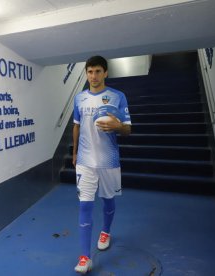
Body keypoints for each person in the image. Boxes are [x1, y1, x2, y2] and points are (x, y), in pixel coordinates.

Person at [72, 55, 131, 274]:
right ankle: (85, 257)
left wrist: (117, 126)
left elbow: (128, 129)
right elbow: (76, 126)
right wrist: (75, 152)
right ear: (86, 73)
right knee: (85, 205)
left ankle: (105, 231)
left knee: (107, 201)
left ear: (105, 73)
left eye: (98, 71)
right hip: (85, 162)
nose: (93, 76)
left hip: (109, 161)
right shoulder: (79, 98)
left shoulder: (118, 97)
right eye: (90, 71)